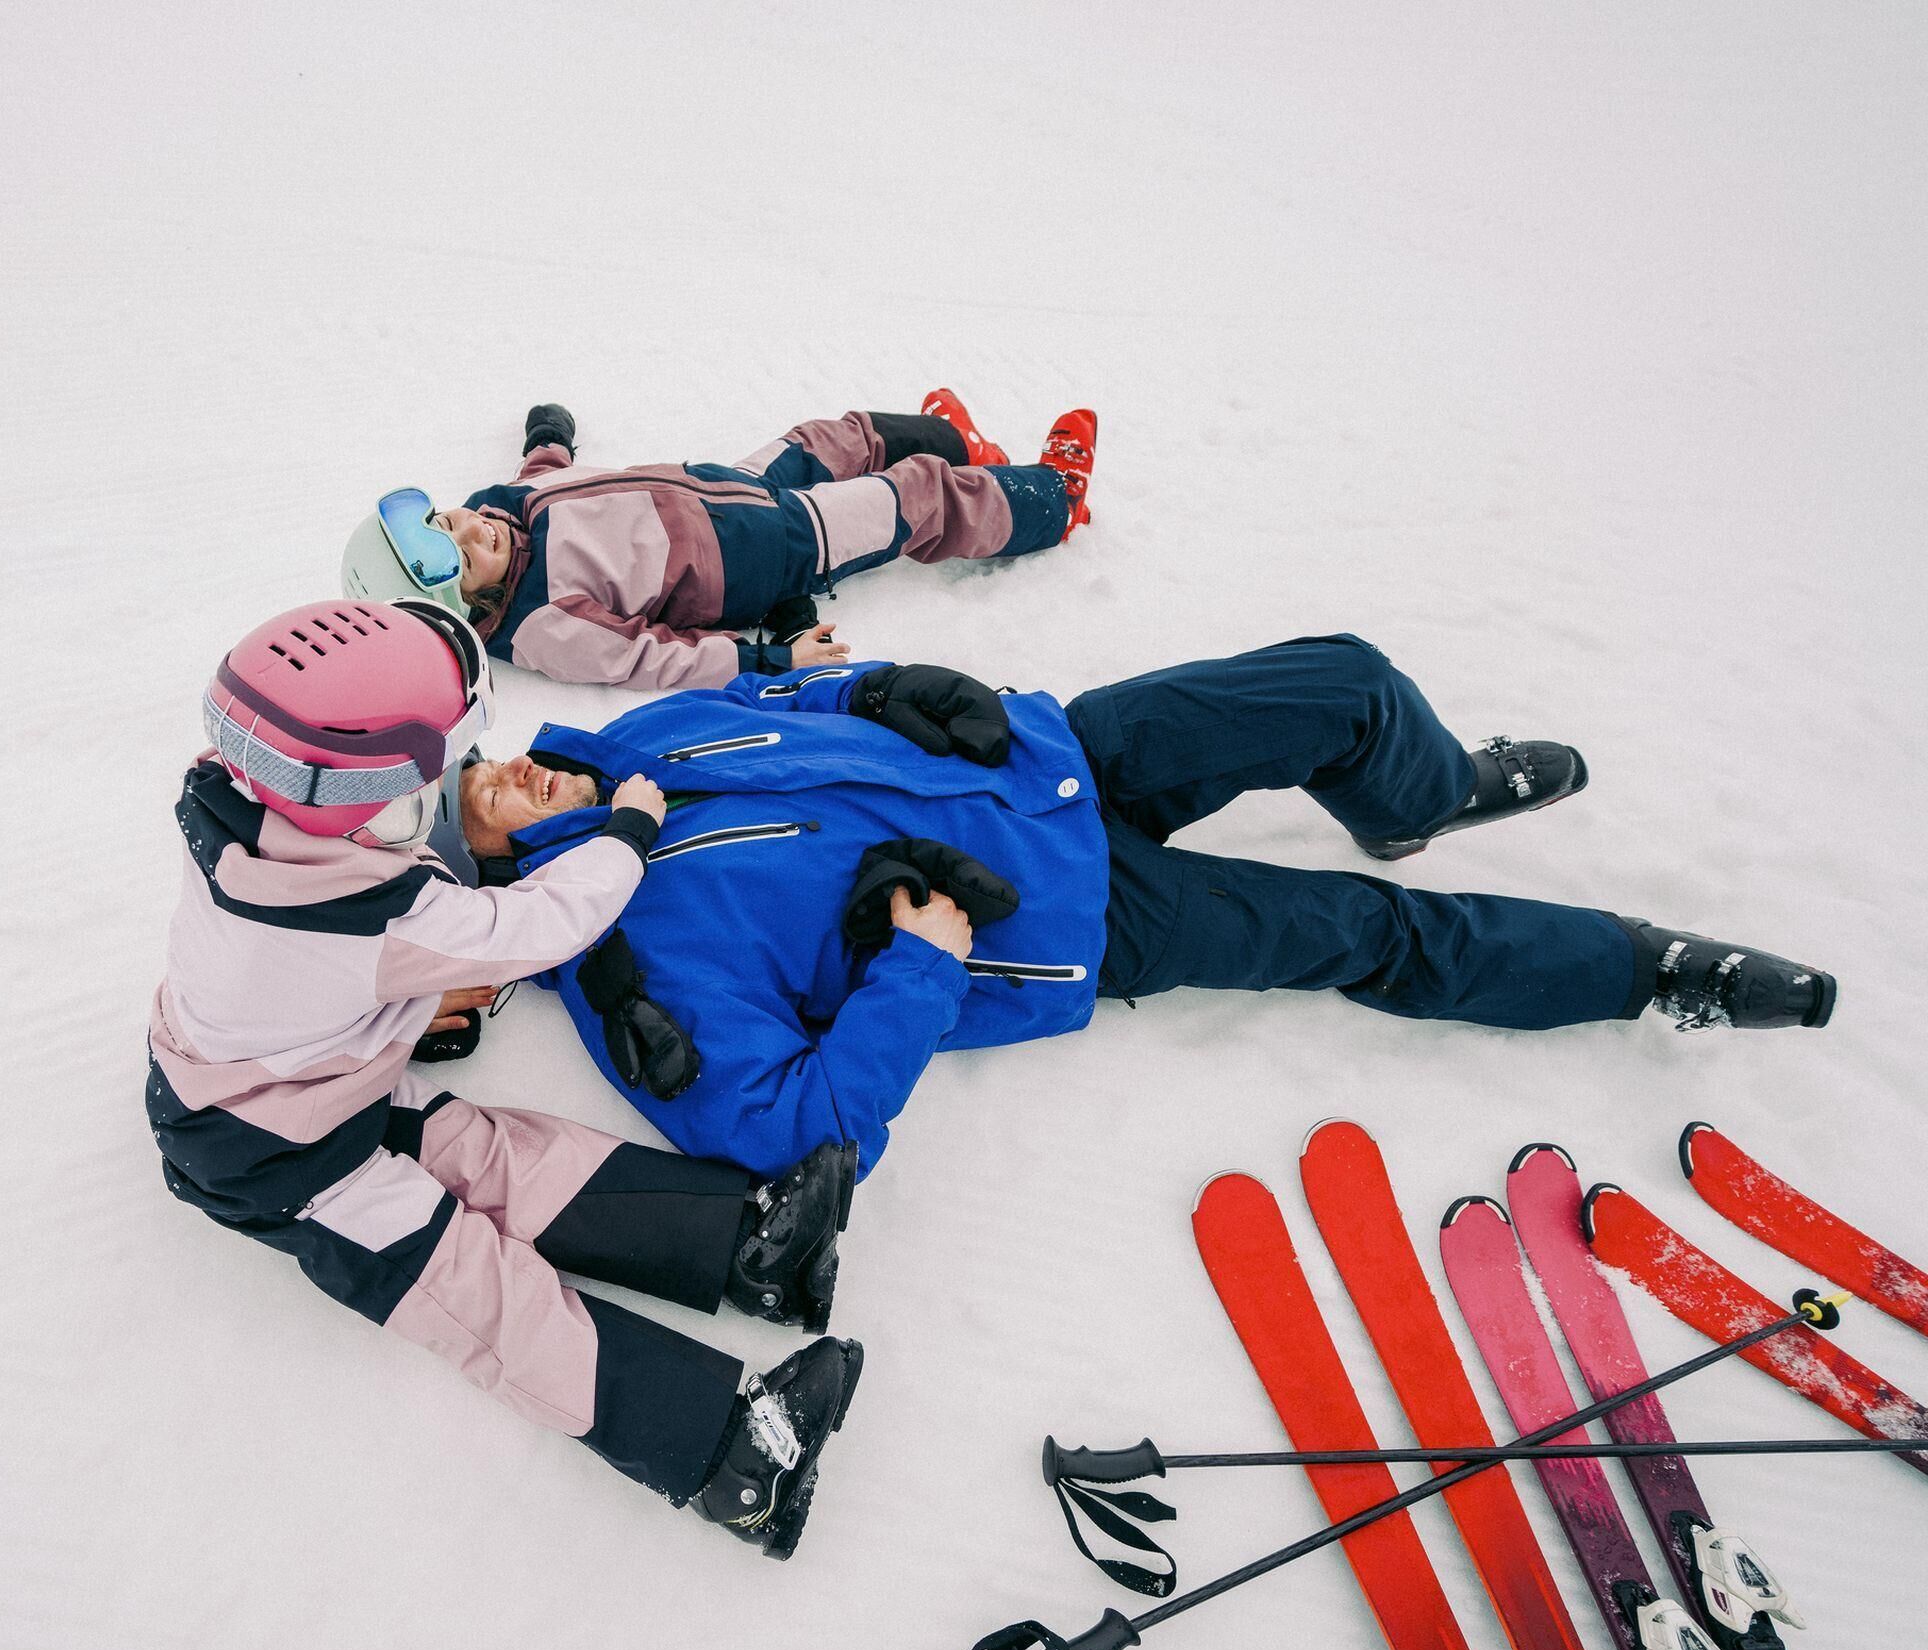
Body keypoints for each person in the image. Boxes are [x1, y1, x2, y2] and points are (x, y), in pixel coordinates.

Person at [457, 635, 1837, 1179]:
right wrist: (921, 969)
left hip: (1051, 756)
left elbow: (780, 697)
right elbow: (789, 1127)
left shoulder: (636, 741)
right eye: (484, 807)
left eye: (479, 762)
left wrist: (877, 691)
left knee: (1342, 684)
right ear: (496, 883)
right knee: (1367, 934)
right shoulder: (624, 959)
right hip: (1089, 918)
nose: (504, 771)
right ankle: (1650, 970)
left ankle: (1418, 792)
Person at [145, 597, 864, 1557]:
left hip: (302, 1083)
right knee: (471, 1283)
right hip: (268, 1157)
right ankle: (731, 1454)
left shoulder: (233, 803)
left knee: (494, 1154)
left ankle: (742, 1242)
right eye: (434, 772)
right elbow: (538, 926)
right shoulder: (371, 912)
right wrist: (625, 834)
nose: (451, 782)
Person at [339, 391, 1098, 691]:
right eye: (466, 555)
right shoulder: (540, 624)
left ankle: (964, 440)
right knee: (912, 498)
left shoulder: (494, 510)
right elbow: (649, 656)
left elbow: (537, 477)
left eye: (449, 520)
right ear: (468, 607)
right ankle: (1052, 503)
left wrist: (548, 439)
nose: (475, 528)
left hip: (729, 487)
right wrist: (767, 657)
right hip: (767, 554)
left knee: (833, 438)